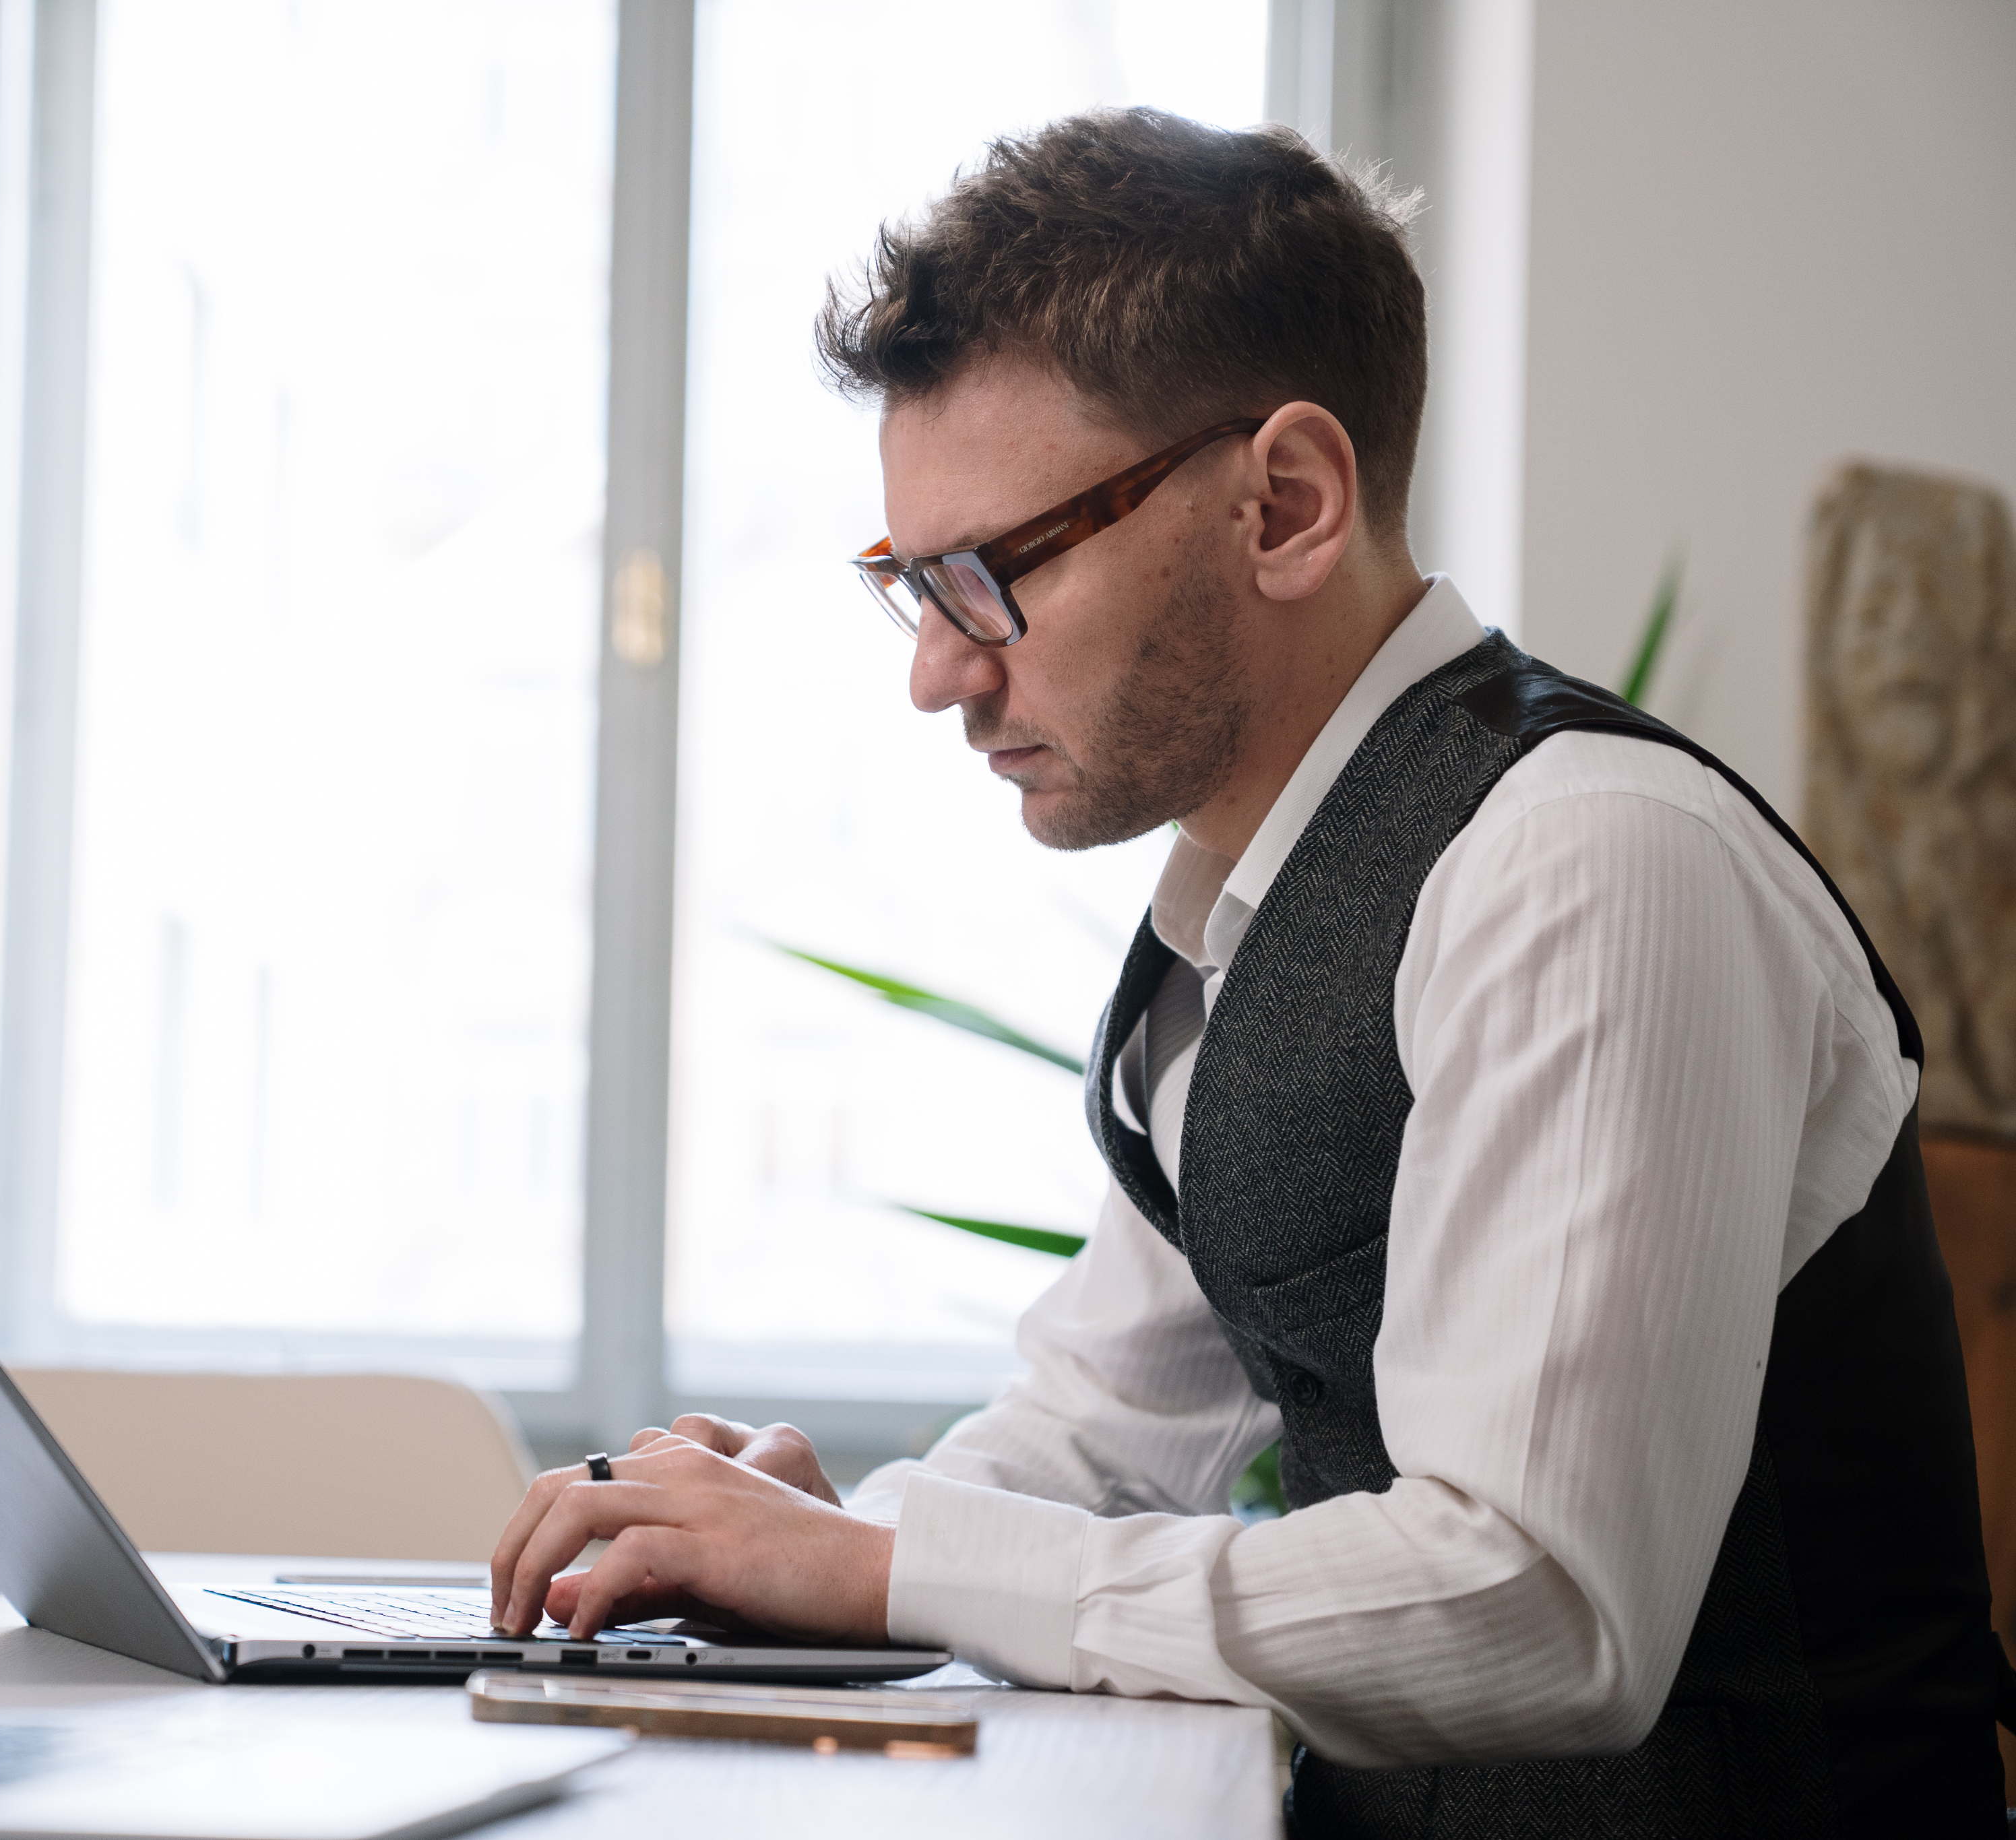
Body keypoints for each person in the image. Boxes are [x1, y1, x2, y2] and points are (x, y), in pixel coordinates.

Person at [490, 108, 2005, 1834]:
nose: (931, 676)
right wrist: (815, 1545)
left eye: (985, 576)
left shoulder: (1588, 860)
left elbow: (1540, 1606)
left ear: (1282, 502)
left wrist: (891, 1568)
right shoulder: (1245, 909)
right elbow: (1099, 1427)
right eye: (907, 583)